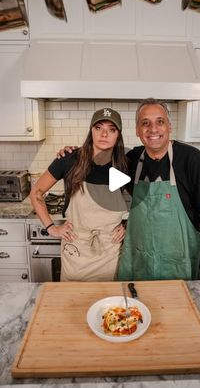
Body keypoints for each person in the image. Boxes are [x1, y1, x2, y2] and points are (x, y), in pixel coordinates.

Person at [56, 98, 200, 291]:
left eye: (160, 122)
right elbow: (99, 179)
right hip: (137, 266)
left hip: (178, 267)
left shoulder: (191, 159)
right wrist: (73, 155)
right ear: (137, 130)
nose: (153, 129)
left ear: (169, 126)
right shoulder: (130, 161)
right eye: (145, 123)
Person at [30, 108, 128, 282]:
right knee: (73, 300)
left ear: (118, 135)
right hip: (76, 246)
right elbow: (36, 192)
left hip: (109, 249)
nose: (104, 134)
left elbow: (144, 200)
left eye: (111, 130)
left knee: (107, 302)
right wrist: (51, 227)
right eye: (98, 128)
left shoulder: (124, 163)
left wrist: (128, 225)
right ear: (91, 131)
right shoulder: (69, 159)